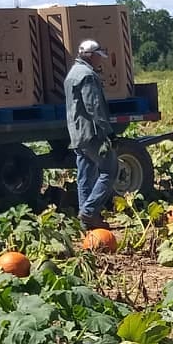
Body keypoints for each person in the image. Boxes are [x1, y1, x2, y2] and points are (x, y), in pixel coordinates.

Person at [65, 39, 116, 229]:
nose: (100, 61)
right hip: (91, 133)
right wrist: (109, 132)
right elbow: (94, 107)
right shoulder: (87, 75)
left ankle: (86, 223)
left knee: (85, 176)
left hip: (76, 134)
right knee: (110, 170)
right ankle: (89, 211)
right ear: (91, 55)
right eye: (98, 57)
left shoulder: (72, 74)